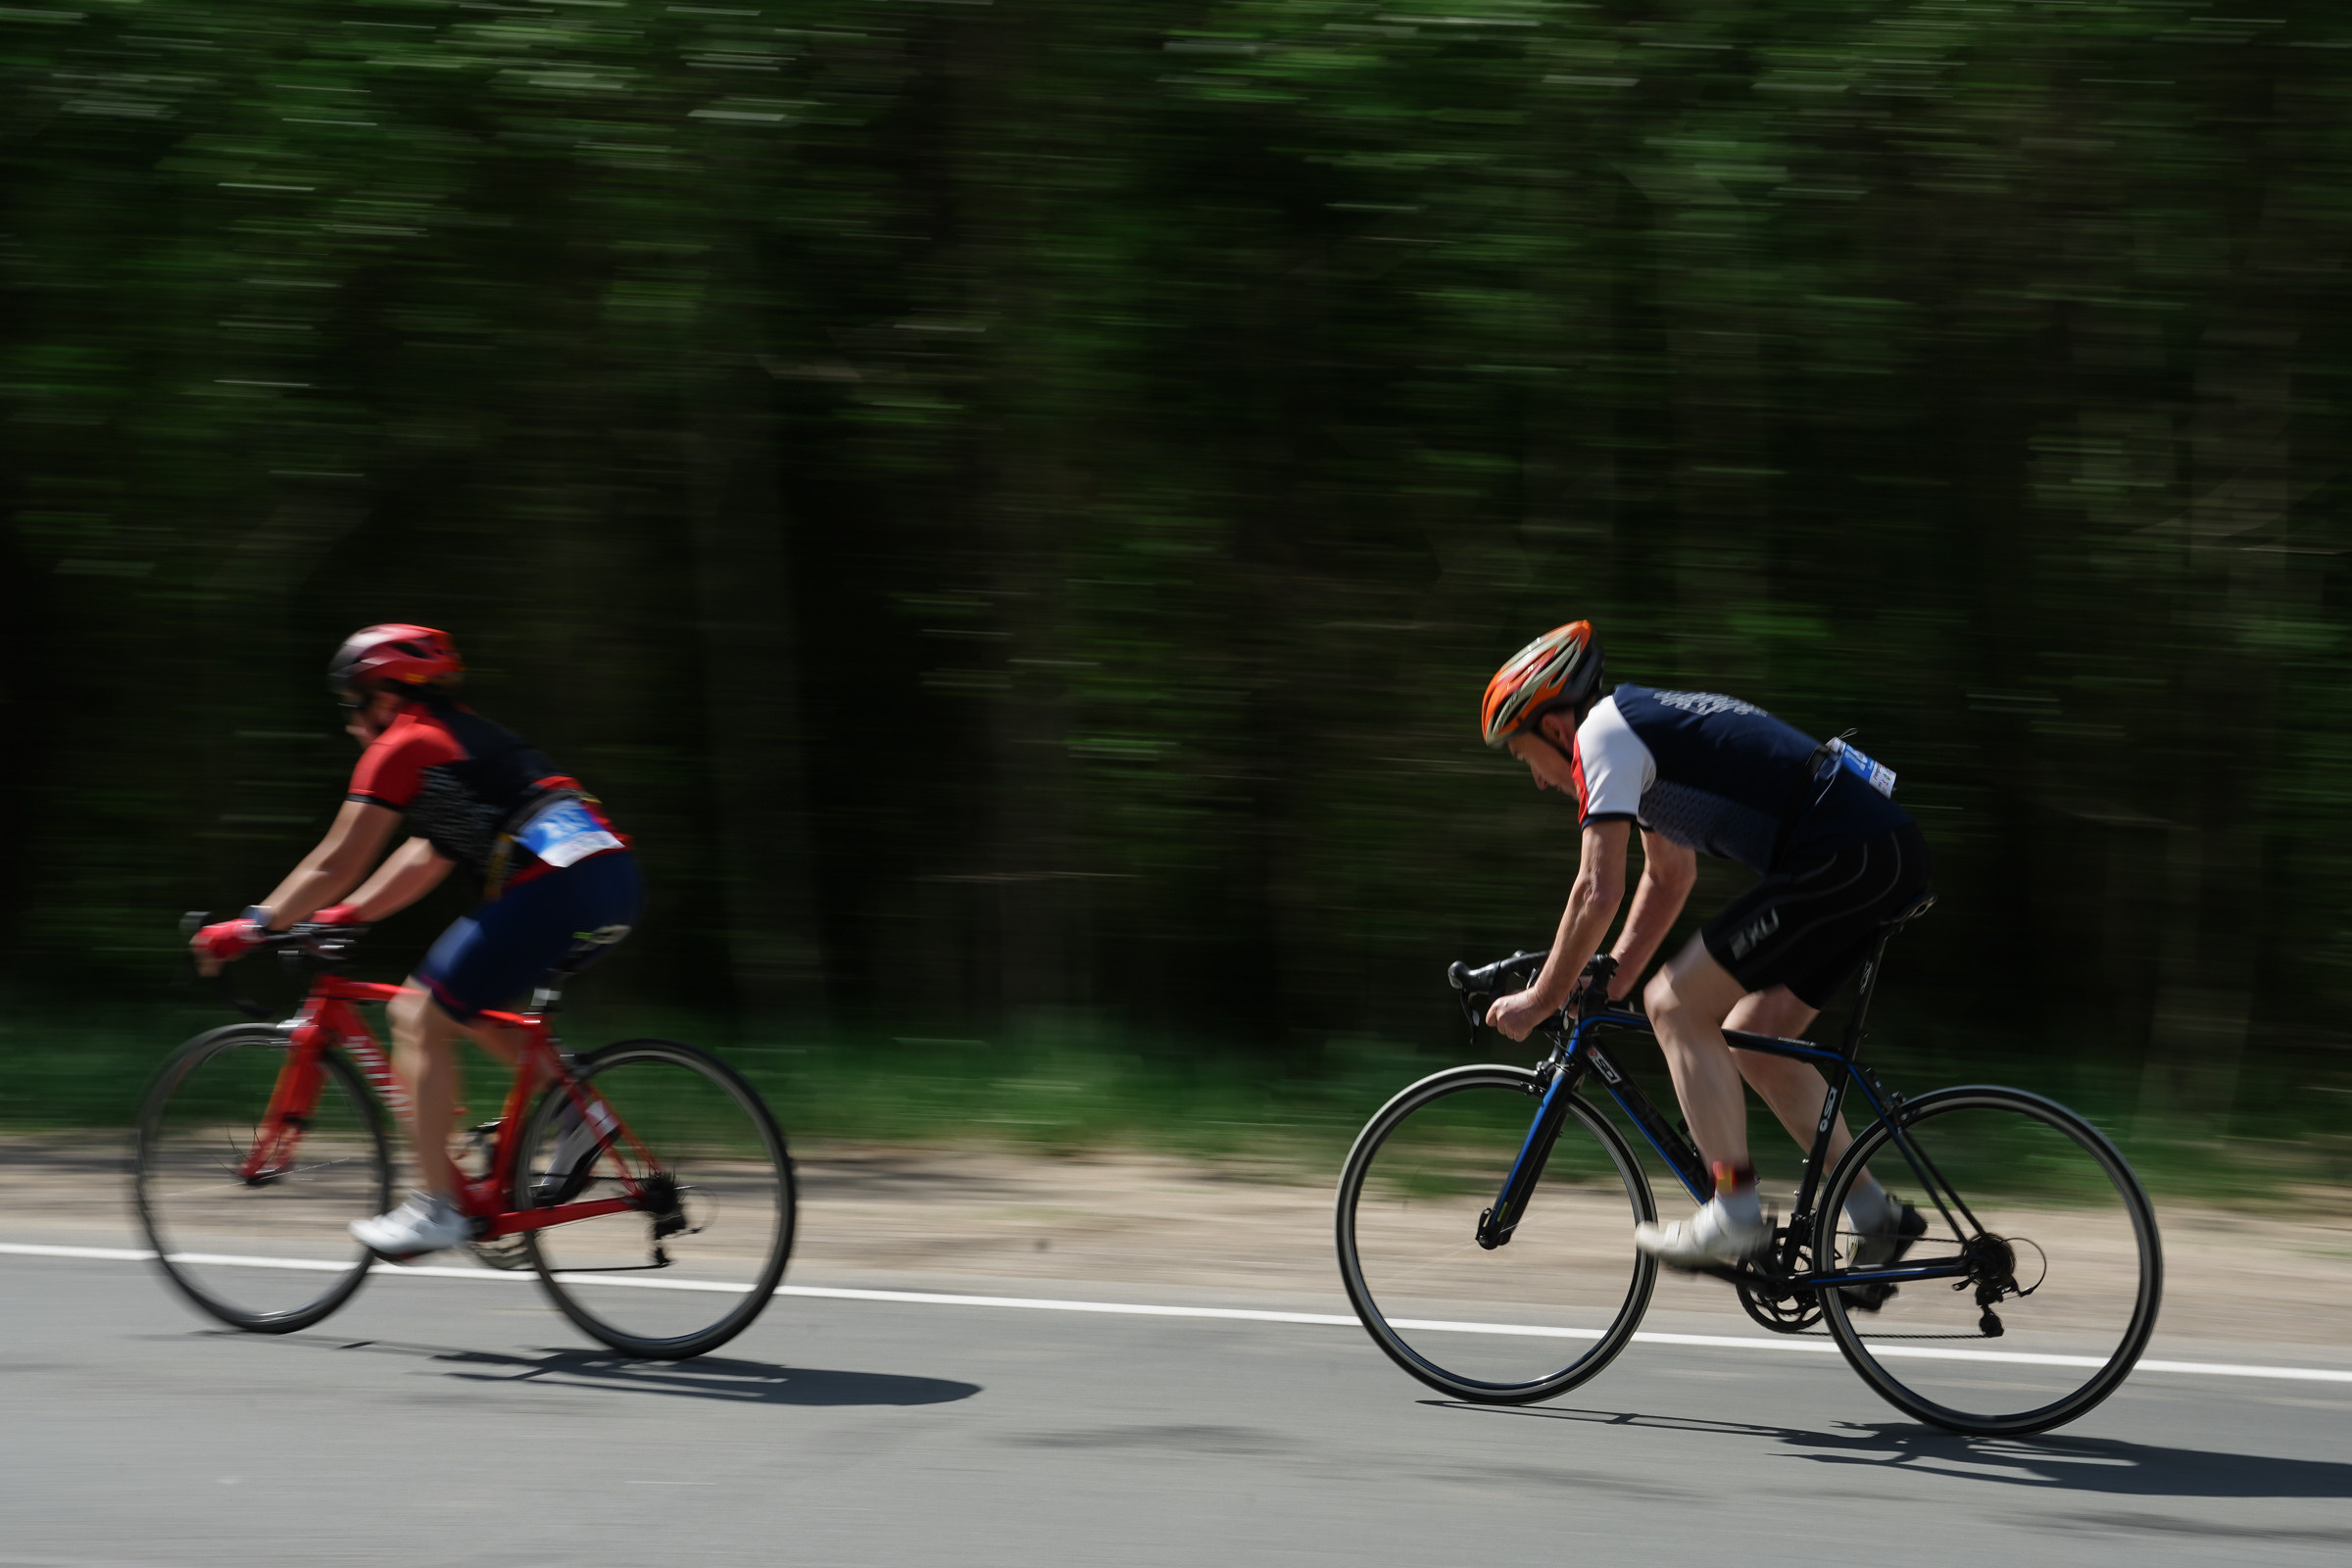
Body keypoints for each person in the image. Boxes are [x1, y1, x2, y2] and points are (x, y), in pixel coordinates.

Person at [1477, 620, 1931, 1271]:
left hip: (1846, 853)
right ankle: (1874, 1215)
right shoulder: (1639, 732)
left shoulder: (1603, 736)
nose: (1540, 781)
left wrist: (1541, 998)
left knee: (1675, 1005)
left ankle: (1733, 1211)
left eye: (1526, 758)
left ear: (1554, 726)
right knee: (1752, 1036)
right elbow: (1668, 878)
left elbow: (1595, 892)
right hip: (1874, 852)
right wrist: (1611, 980)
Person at [189, 624, 640, 1259]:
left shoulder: (403, 743)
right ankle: (581, 1122)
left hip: (557, 886)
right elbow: (427, 854)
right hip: (613, 881)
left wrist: (256, 926)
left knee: (415, 1013)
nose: (351, 723)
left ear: (384, 695)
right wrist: (349, 914)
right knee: (468, 1005)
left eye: (352, 704)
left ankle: (439, 1207)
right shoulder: (464, 741)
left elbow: (335, 860)